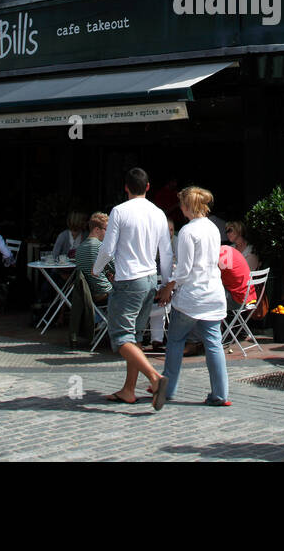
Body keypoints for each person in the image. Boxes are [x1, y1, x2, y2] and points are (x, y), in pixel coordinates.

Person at [93, 167, 172, 407]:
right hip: (150, 278)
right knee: (135, 336)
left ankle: (154, 378)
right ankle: (129, 389)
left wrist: (96, 270)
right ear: (148, 187)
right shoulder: (158, 213)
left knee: (120, 336)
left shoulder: (119, 211)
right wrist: (166, 283)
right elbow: (166, 252)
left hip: (128, 279)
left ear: (126, 187)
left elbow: (107, 248)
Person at [155, 186, 231, 406]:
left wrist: (168, 287)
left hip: (191, 297)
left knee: (176, 340)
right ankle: (221, 393)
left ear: (187, 206)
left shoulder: (188, 232)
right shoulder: (213, 228)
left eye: (181, 204)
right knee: (214, 344)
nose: (180, 208)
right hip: (213, 293)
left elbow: (184, 270)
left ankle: (168, 389)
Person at [70, 213, 114, 347]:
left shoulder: (79, 249)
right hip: (105, 293)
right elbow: (118, 269)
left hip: (89, 295)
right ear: (96, 230)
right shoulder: (101, 247)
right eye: (107, 229)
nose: (108, 234)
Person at [146, 215, 177, 353]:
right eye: (167, 229)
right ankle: (156, 339)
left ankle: (156, 338)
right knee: (160, 298)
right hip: (160, 282)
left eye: (171, 230)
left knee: (161, 298)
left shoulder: (177, 242)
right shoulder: (154, 243)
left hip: (173, 283)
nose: (169, 233)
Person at [218, 242, 256, 313]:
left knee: (207, 293)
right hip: (249, 297)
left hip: (238, 301)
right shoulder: (228, 249)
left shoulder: (220, 256)